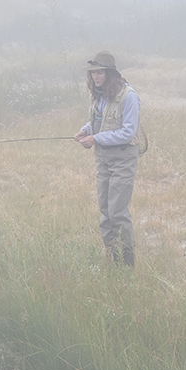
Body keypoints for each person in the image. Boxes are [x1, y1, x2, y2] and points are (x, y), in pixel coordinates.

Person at [73, 51, 140, 267]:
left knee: (118, 212)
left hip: (122, 159)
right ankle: (113, 258)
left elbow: (128, 133)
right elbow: (97, 120)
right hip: (102, 159)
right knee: (105, 211)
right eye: (93, 73)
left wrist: (96, 138)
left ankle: (128, 265)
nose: (95, 77)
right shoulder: (98, 96)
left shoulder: (129, 97)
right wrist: (85, 130)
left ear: (110, 74)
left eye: (100, 72)